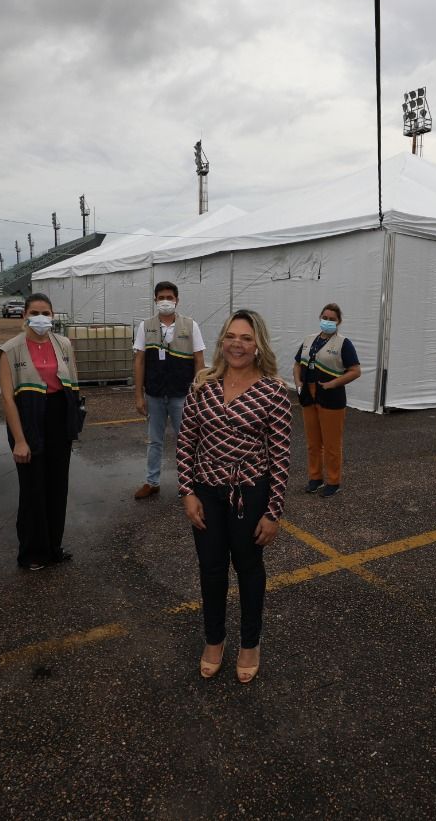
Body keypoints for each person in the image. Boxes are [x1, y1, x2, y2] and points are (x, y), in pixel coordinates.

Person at [177, 309, 292, 683]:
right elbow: (186, 441)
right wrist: (187, 492)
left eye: (245, 338)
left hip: (250, 493)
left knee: (248, 568)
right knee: (211, 568)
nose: (237, 344)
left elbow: (281, 455)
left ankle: (249, 643)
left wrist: (273, 512)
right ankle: (214, 640)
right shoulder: (203, 385)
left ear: (258, 345)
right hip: (205, 491)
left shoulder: (273, 391)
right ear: (221, 341)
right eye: (230, 336)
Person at [0, 293, 82, 570]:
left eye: (46, 313)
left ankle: (53, 547)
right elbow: (8, 399)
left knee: (58, 486)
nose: (41, 318)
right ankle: (32, 552)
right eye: (34, 313)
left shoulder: (64, 344)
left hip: (58, 418)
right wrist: (19, 440)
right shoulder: (10, 350)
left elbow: (73, 385)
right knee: (33, 489)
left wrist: (73, 423)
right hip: (28, 418)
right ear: (24, 315)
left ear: (53, 315)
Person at [133, 281, 206, 499]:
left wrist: (199, 392)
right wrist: (139, 396)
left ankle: (192, 484)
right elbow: (139, 361)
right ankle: (152, 481)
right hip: (154, 394)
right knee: (154, 440)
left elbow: (199, 360)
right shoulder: (145, 326)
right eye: (161, 297)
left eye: (169, 297)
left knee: (187, 440)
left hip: (182, 395)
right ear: (155, 300)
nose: (165, 301)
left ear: (177, 300)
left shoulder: (191, 325)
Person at [293, 303, 362, 498]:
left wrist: (333, 384)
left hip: (332, 398)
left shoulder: (343, 343)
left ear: (338, 322)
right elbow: (297, 364)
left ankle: (333, 481)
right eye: (325, 317)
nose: (328, 321)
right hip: (308, 396)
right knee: (313, 443)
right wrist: (298, 383)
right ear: (320, 317)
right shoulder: (309, 340)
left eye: (332, 319)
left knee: (331, 444)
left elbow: (355, 371)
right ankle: (315, 478)